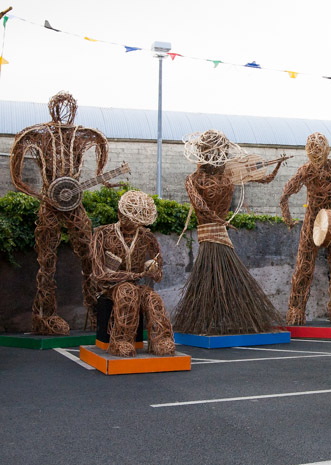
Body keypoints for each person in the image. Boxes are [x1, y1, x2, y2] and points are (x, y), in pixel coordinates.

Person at [10, 91, 109, 335]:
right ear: (51, 108)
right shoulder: (35, 135)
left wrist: (102, 180)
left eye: (68, 106)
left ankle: (97, 314)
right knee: (46, 263)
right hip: (49, 206)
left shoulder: (87, 135)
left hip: (75, 204)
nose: (64, 110)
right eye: (59, 106)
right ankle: (45, 315)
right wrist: (41, 196)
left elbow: (102, 159)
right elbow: (16, 177)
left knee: (89, 258)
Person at [171, 130, 284, 335]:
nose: (216, 153)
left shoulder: (229, 174)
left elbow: (262, 180)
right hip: (211, 231)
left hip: (219, 229)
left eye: (220, 149)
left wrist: (275, 165)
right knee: (211, 276)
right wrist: (217, 221)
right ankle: (207, 320)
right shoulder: (193, 179)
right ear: (202, 151)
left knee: (221, 275)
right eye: (211, 150)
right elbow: (199, 204)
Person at [279, 132, 331, 326]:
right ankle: (296, 309)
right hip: (312, 223)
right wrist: (287, 217)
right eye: (312, 149)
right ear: (308, 152)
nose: (315, 152)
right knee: (303, 268)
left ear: (325, 150)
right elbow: (285, 195)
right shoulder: (306, 171)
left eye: (318, 149)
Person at [91, 190, 175, 357]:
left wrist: (154, 269)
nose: (129, 222)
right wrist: (135, 276)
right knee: (127, 293)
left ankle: (160, 339)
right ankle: (121, 340)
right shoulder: (102, 234)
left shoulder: (146, 236)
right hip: (112, 288)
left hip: (136, 286)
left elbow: (158, 275)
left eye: (134, 220)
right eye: (126, 216)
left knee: (153, 298)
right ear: (119, 213)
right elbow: (99, 274)